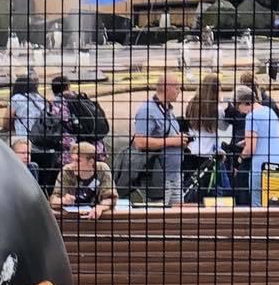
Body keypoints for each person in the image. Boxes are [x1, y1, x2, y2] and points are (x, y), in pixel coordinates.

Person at [130, 75, 187, 205]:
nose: (180, 92)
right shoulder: (147, 110)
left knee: (178, 219)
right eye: (177, 88)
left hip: (175, 175)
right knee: (158, 219)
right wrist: (172, 142)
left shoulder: (167, 110)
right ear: (167, 88)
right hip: (157, 178)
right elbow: (139, 142)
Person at [236, 84, 279, 206]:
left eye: (238, 105)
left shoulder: (251, 117)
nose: (238, 110)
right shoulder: (270, 112)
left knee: (258, 207)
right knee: (276, 205)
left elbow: (250, 149)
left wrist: (240, 157)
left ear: (244, 103)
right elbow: (278, 136)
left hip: (261, 167)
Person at [51, 141, 117, 221]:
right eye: (72, 160)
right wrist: (63, 200)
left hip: (96, 217)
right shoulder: (67, 171)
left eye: (78, 161)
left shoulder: (102, 169)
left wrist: (101, 207)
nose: (73, 164)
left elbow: (111, 198)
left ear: (91, 162)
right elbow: (53, 200)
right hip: (71, 218)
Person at [182, 74, 222, 199]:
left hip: (191, 151)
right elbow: (224, 126)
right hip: (207, 156)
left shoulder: (191, 103)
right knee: (205, 190)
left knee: (189, 187)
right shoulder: (217, 109)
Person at [5, 71, 46, 144]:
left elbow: (7, 120)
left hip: (24, 137)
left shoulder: (16, 98)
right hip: (41, 136)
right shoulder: (40, 98)